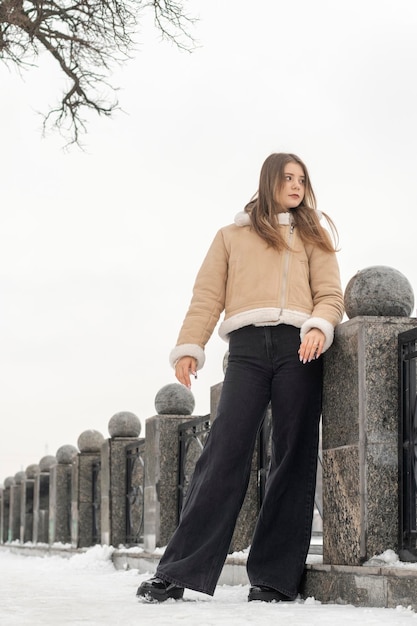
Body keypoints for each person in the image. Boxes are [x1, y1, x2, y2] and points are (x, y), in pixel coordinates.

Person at [137, 152, 344, 604]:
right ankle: (177, 572)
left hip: (300, 351)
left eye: (302, 179)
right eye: (288, 178)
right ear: (268, 181)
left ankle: (274, 577)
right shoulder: (231, 236)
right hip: (247, 352)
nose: (296, 186)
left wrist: (317, 325)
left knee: (293, 455)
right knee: (223, 452)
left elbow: (330, 294)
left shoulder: (312, 234)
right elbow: (208, 294)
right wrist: (191, 346)